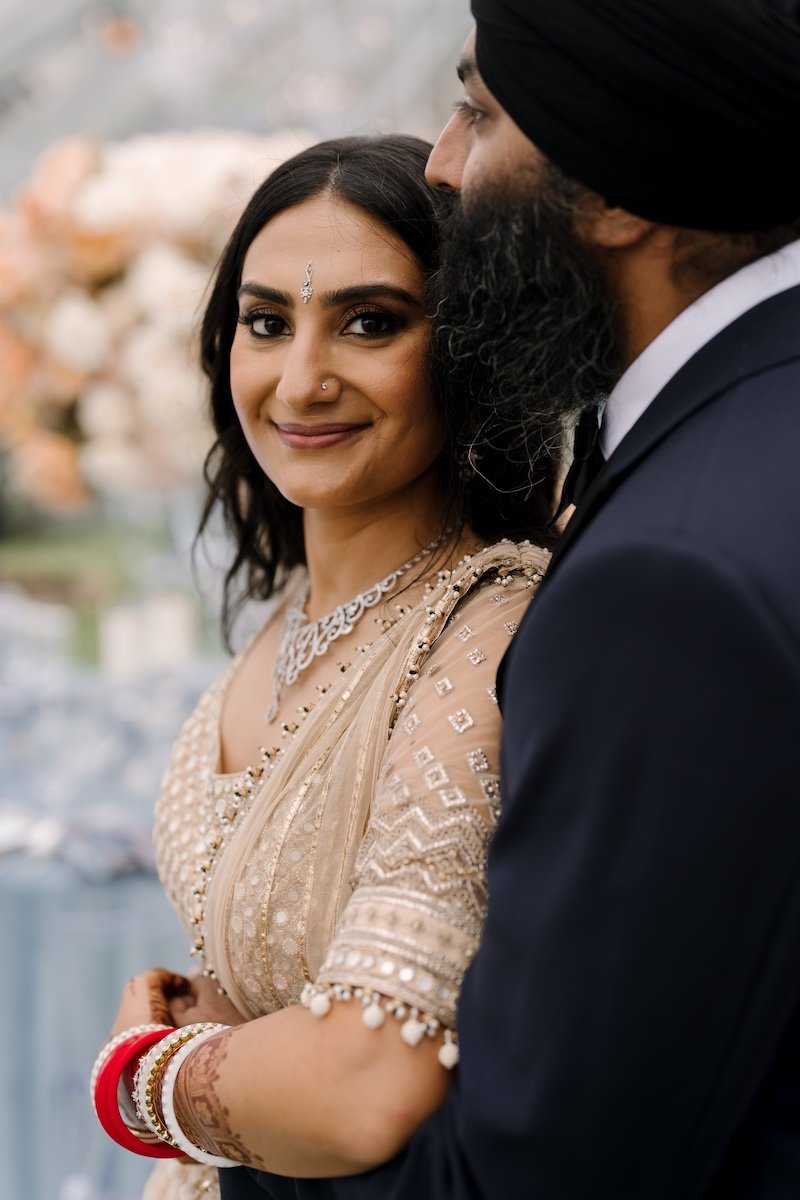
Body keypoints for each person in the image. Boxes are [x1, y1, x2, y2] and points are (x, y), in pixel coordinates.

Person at [219, 1, 800, 1197]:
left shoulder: (666, 578)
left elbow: (544, 1168)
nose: (441, 161)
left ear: (612, 187)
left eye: (479, 113)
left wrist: (176, 1102)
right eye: (262, 320)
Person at [92, 134, 555, 1199]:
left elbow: (366, 1082)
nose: (300, 380)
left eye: (368, 323)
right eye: (265, 323)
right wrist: (253, 1049)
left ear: (467, 347)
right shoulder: (287, 613)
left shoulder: (486, 624)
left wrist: (141, 1082)